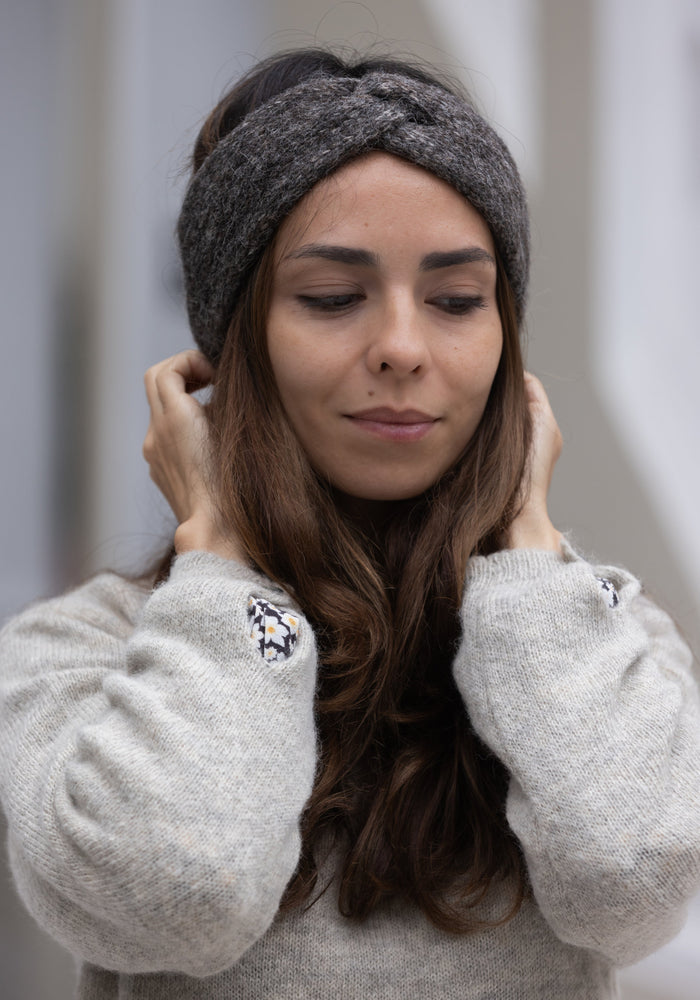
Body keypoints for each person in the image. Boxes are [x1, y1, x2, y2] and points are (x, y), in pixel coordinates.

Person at [1, 48, 699, 1000]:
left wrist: (530, 558)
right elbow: (174, 894)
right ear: (231, 350)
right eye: (332, 298)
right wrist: (222, 563)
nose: (404, 349)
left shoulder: (606, 643)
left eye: (457, 301)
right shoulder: (80, 654)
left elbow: (634, 887)